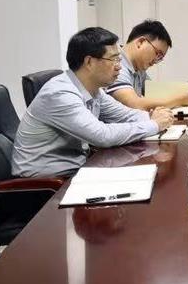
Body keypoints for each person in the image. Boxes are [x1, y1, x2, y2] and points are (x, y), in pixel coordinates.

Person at [12, 27, 174, 178]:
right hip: (44, 184)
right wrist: (154, 125)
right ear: (89, 62)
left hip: (76, 170)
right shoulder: (60, 93)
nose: (119, 67)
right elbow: (102, 136)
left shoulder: (94, 90)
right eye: (113, 60)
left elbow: (124, 115)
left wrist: (153, 117)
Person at [106, 19, 188, 111]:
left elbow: (155, 92)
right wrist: (181, 100)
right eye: (157, 53)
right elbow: (134, 104)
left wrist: (187, 93)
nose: (156, 61)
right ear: (140, 42)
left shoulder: (138, 66)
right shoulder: (116, 64)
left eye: (160, 58)